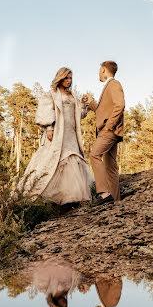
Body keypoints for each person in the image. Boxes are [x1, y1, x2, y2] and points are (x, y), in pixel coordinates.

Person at [17, 67, 93, 204]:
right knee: (54, 160)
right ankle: (47, 197)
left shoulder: (74, 96)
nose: (68, 81)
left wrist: (84, 105)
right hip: (58, 132)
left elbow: (80, 116)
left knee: (74, 159)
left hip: (72, 134)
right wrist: (50, 128)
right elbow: (46, 112)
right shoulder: (51, 94)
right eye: (66, 78)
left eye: (70, 78)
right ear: (60, 78)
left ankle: (73, 197)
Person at [81, 61, 125, 205]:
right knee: (110, 166)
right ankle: (116, 201)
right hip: (110, 130)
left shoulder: (114, 84)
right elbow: (102, 110)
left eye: (100, 70)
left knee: (94, 155)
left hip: (108, 130)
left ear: (104, 70)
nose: (98, 72)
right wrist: (91, 102)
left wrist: (109, 126)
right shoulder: (109, 86)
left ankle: (104, 194)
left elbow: (120, 105)